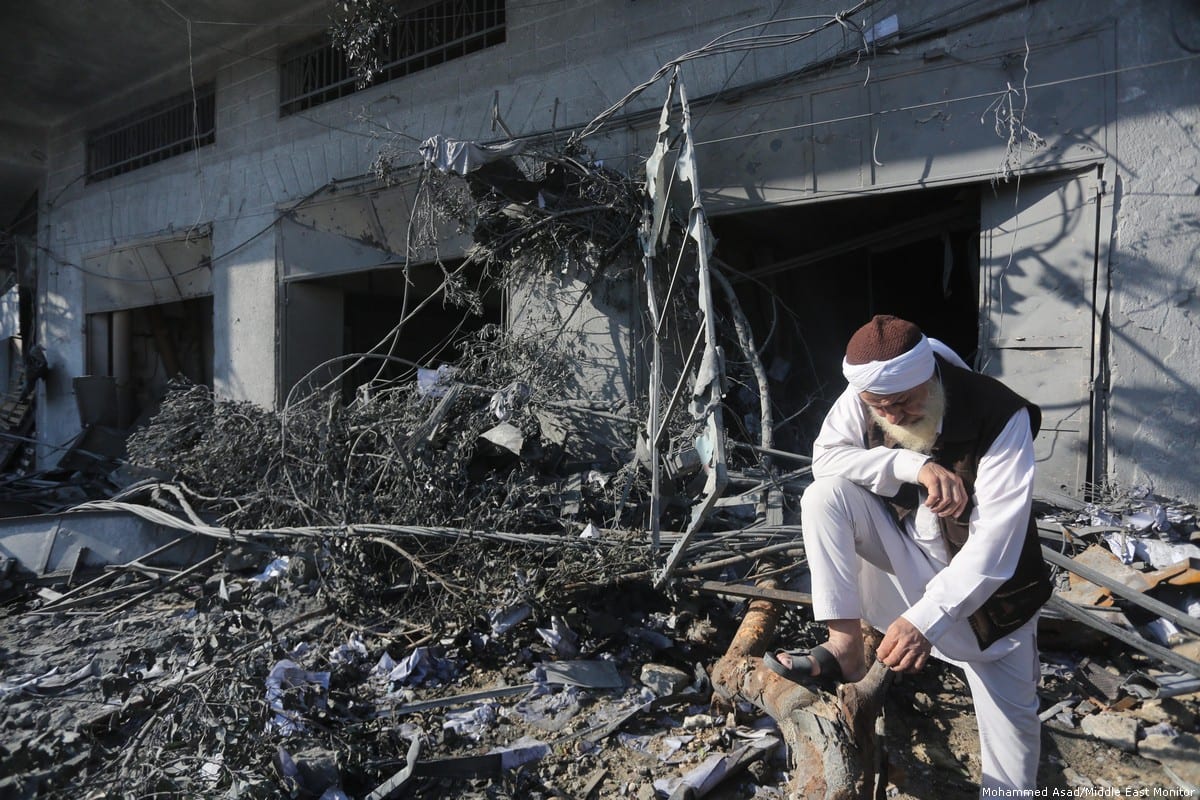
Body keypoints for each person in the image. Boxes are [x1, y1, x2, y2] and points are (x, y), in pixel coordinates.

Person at [765, 314, 1052, 793]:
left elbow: (997, 547)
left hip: (990, 599)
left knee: (1012, 731)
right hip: (908, 560)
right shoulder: (873, 392)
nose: (892, 417)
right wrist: (909, 463)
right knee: (824, 496)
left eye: (903, 403)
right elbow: (826, 459)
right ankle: (845, 645)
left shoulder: (1000, 415)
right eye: (880, 408)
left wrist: (924, 620)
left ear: (930, 375)